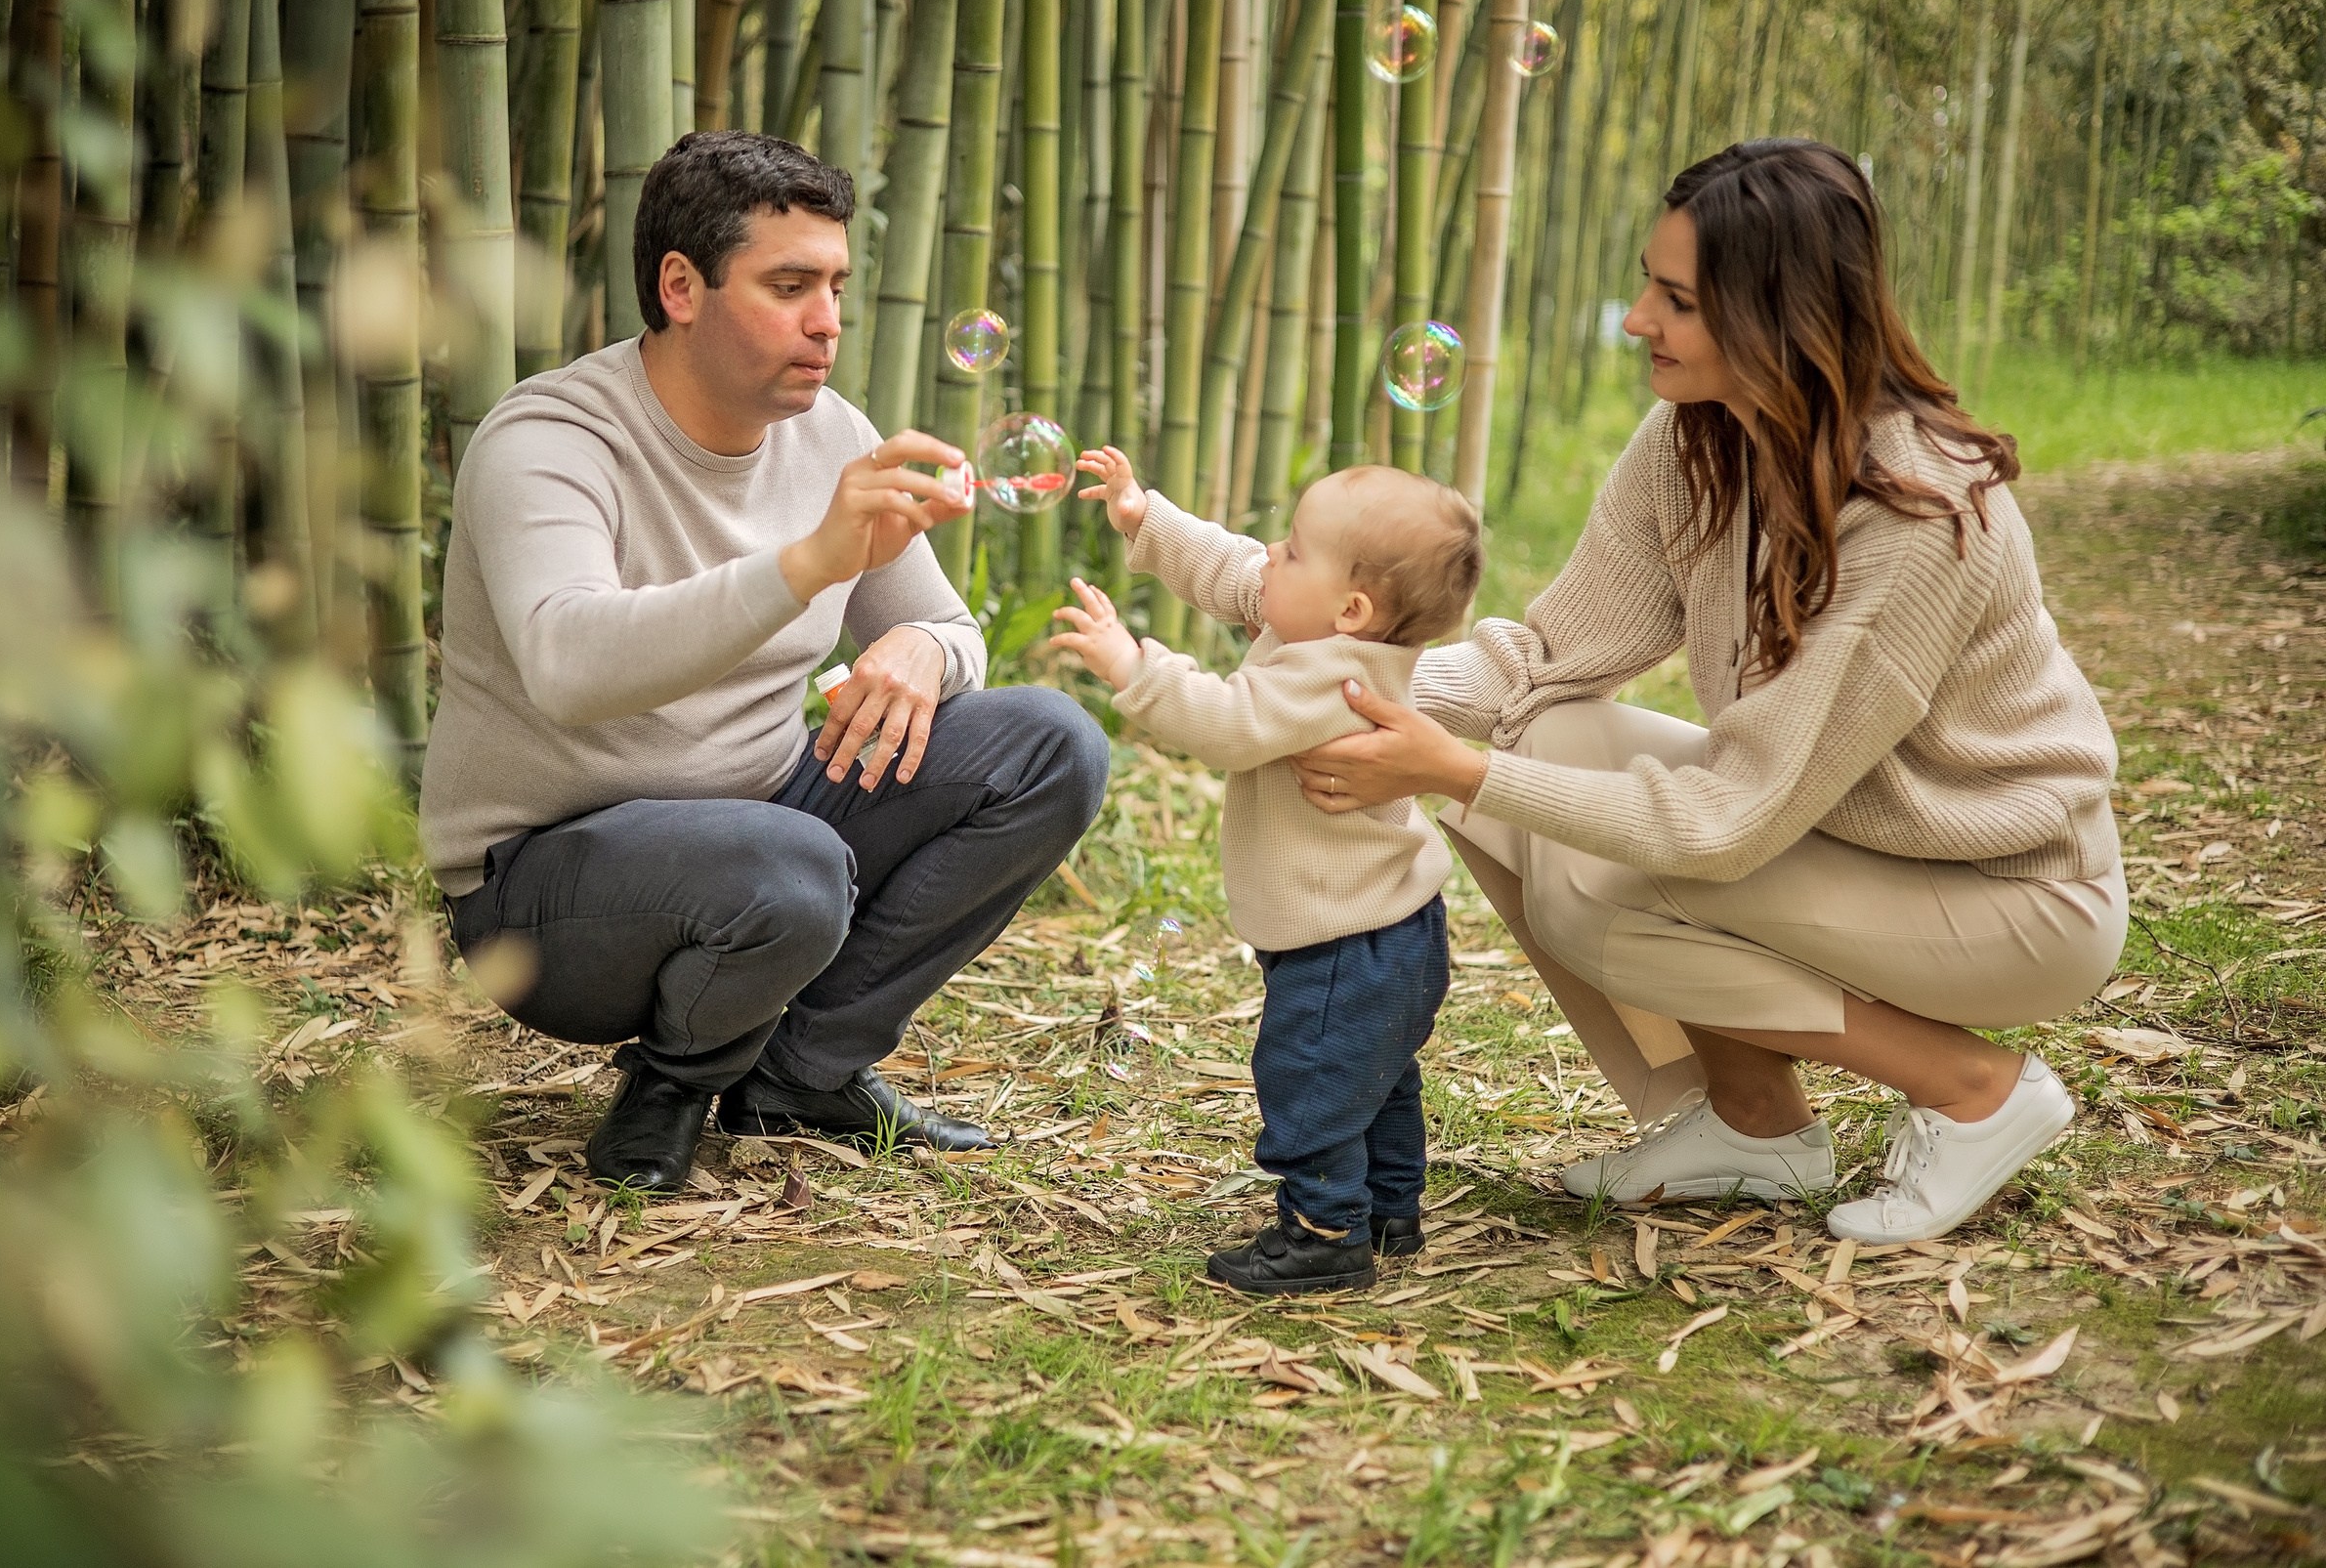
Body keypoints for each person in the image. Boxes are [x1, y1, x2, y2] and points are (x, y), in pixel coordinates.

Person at [1285, 139, 2126, 1246]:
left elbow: (1729, 821)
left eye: (1677, 301)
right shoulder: (1696, 437)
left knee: (1594, 891)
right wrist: (1322, 676)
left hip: (2011, 895)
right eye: (1650, 283)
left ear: (1781, 315)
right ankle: (1754, 1125)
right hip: (1841, 835)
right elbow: (1544, 659)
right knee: (1546, 740)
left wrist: (1460, 767)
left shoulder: (1915, 513)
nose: (1638, 319)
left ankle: (1977, 1091)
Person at [420, 132, 1109, 1192]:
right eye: (789, 287)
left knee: (1052, 745)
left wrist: (924, 648)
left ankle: (802, 1071)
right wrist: (806, 565)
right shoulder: (549, 439)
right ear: (681, 288)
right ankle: (674, 1083)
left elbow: (953, 626)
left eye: (836, 286)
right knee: (788, 866)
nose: (826, 320)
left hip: (770, 819)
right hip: (548, 886)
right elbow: (568, 663)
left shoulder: (829, 432)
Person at [1051, 449, 1484, 1293]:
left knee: (1312, 1078)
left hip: (1344, 940)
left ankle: (1324, 1233)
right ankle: (1389, 1210)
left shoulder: (1334, 676)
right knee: (1376, 1075)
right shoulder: (1327, 628)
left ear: (1350, 608)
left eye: (1292, 549)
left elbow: (1228, 722)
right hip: (1393, 926)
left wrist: (1133, 666)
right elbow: (1232, 567)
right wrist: (1147, 516)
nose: (1268, 557)